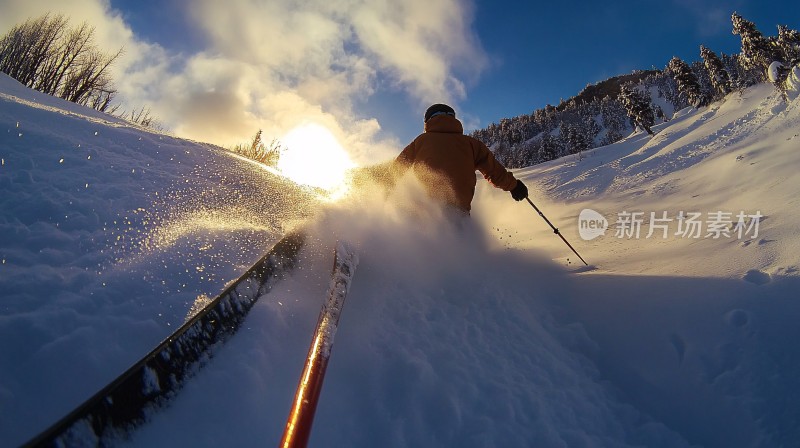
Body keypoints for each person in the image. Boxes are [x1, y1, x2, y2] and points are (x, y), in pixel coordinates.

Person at [392, 103, 528, 214]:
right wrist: (514, 186)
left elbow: (396, 169)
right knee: (457, 244)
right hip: (458, 214)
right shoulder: (471, 144)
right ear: (453, 119)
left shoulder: (421, 141)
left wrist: (380, 192)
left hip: (424, 213)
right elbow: (494, 171)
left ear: (428, 121)